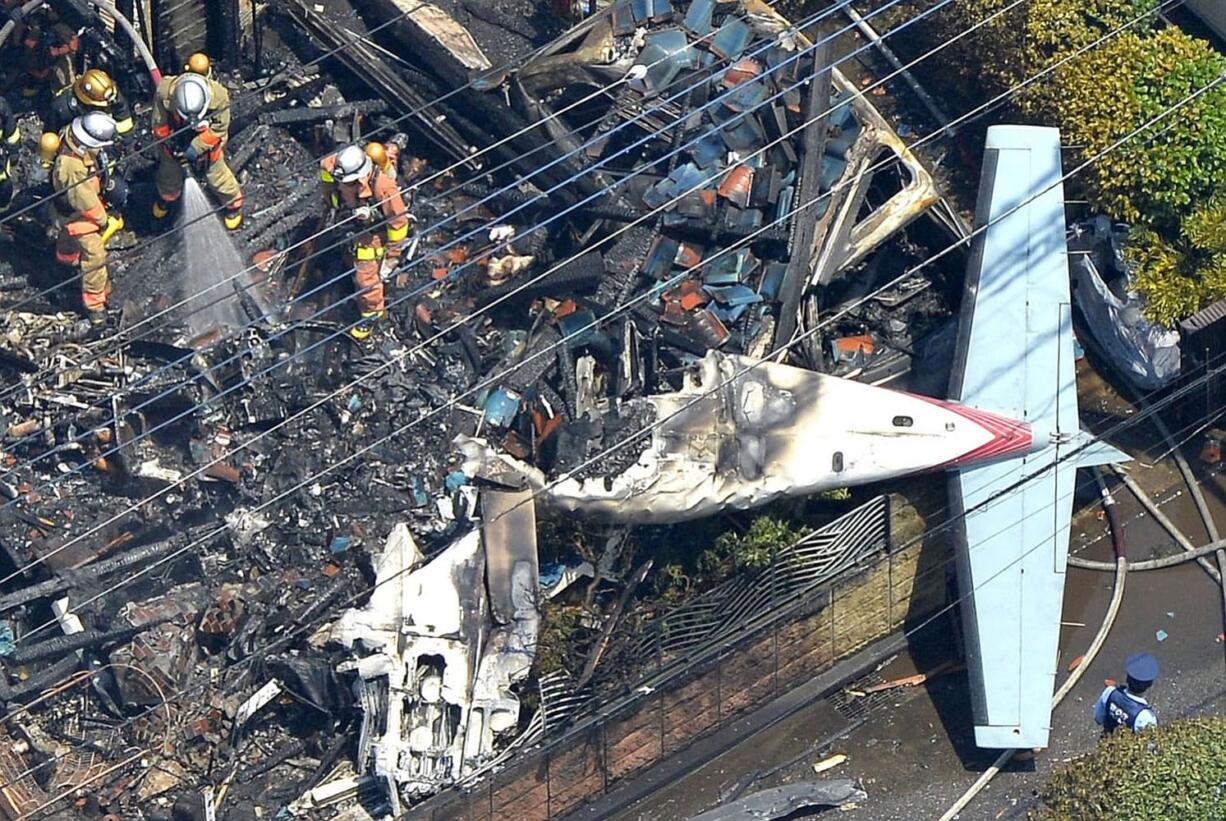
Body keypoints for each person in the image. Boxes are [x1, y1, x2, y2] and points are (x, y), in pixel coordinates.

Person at [319, 144, 410, 340]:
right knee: (348, 256)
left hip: (373, 231)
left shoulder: (383, 187)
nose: (343, 186)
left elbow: (399, 223)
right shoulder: (332, 165)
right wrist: (333, 202)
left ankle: (373, 314)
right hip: (350, 219)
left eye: (350, 184)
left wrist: (392, 257)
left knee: (365, 278)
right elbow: (326, 174)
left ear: (362, 177)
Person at [150, 62, 244, 230]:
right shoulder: (165, 91)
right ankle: (168, 197)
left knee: (218, 177)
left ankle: (233, 206)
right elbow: (159, 122)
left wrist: (196, 147)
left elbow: (219, 128)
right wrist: (168, 142)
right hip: (174, 140)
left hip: (207, 146)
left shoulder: (219, 96)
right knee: (168, 175)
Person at [51, 112, 124, 324]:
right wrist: (103, 220)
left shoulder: (72, 137)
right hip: (77, 215)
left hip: (66, 213)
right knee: (95, 256)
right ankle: (95, 305)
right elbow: (83, 200)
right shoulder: (72, 167)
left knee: (67, 238)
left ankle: (66, 259)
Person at [45, 68, 136, 137]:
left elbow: (124, 118)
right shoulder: (62, 108)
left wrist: (120, 137)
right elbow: (50, 134)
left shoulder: (109, 94)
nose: (110, 103)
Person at [1094, 652, 1159, 734]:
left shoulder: (1110, 692)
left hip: (1106, 741)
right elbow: (1150, 744)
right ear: (1149, 684)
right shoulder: (1146, 717)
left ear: (1127, 678)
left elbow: (1098, 718)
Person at [0, 97, 20, 212]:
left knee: (5, 190)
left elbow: (11, 132)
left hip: (2, 169)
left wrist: (14, 151)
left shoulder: (1, 106)